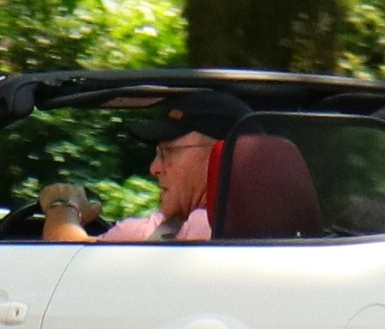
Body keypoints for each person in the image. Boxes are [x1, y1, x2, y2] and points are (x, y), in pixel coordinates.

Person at [42, 91, 249, 243]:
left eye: (168, 151)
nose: (154, 168)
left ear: (224, 155)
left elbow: (67, 256)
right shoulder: (273, 231)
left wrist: (62, 206)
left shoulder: (197, 229)